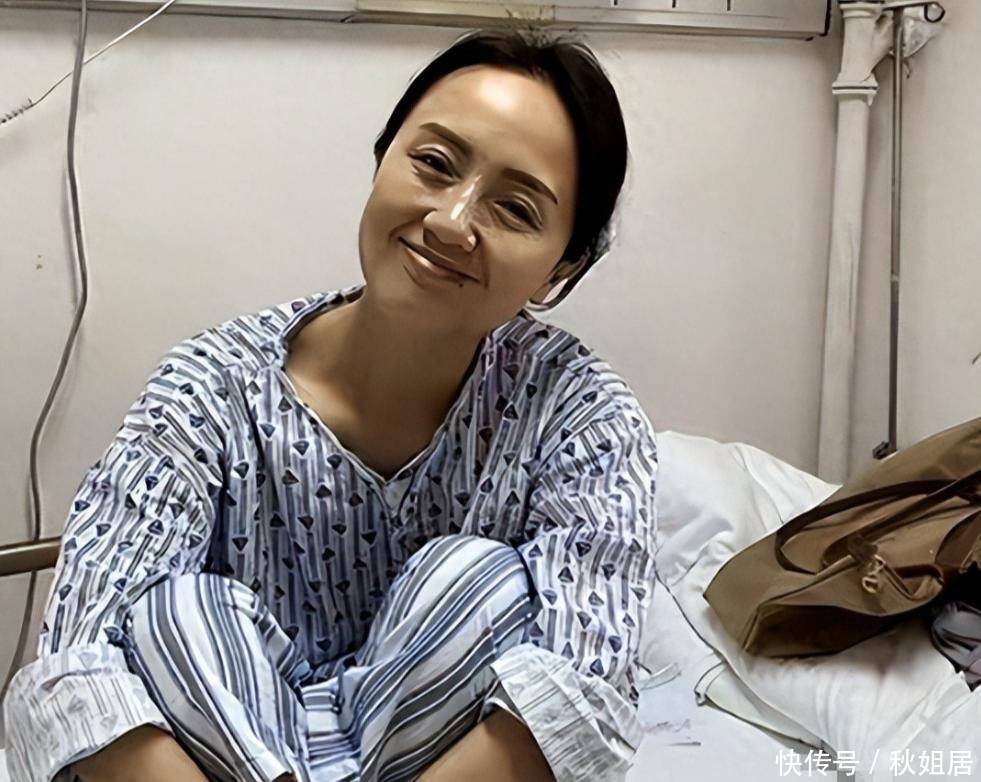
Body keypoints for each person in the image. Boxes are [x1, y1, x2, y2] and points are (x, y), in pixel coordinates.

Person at [2, 28, 658, 782]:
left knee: (478, 583)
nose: (451, 222)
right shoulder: (212, 390)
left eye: (514, 208)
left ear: (562, 267)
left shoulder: (579, 418)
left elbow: (583, 698)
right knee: (173, 615)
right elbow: (76, 673)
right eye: (434, 164)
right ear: (382, 160)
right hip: (223, 756)